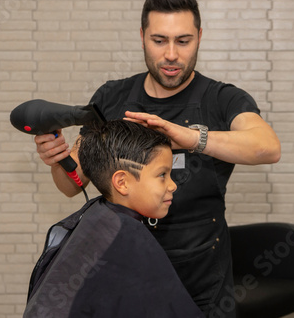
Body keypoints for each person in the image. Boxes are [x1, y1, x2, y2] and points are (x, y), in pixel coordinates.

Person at [34, 0, 281, 317]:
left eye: (183, 41)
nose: (171, 54)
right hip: (125, 269)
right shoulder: (110, 98)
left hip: (203, 278)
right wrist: (57, 158)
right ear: (142, 36)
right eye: (159, 40)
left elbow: (267, 148)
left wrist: (189, 138)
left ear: (199, 36)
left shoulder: (222, 99)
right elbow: (72, 184)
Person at [25, 120, 204, 318]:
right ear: (122, 182)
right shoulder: (129, 235)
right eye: (162, 175)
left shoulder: (99, 215)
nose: (173, 186)